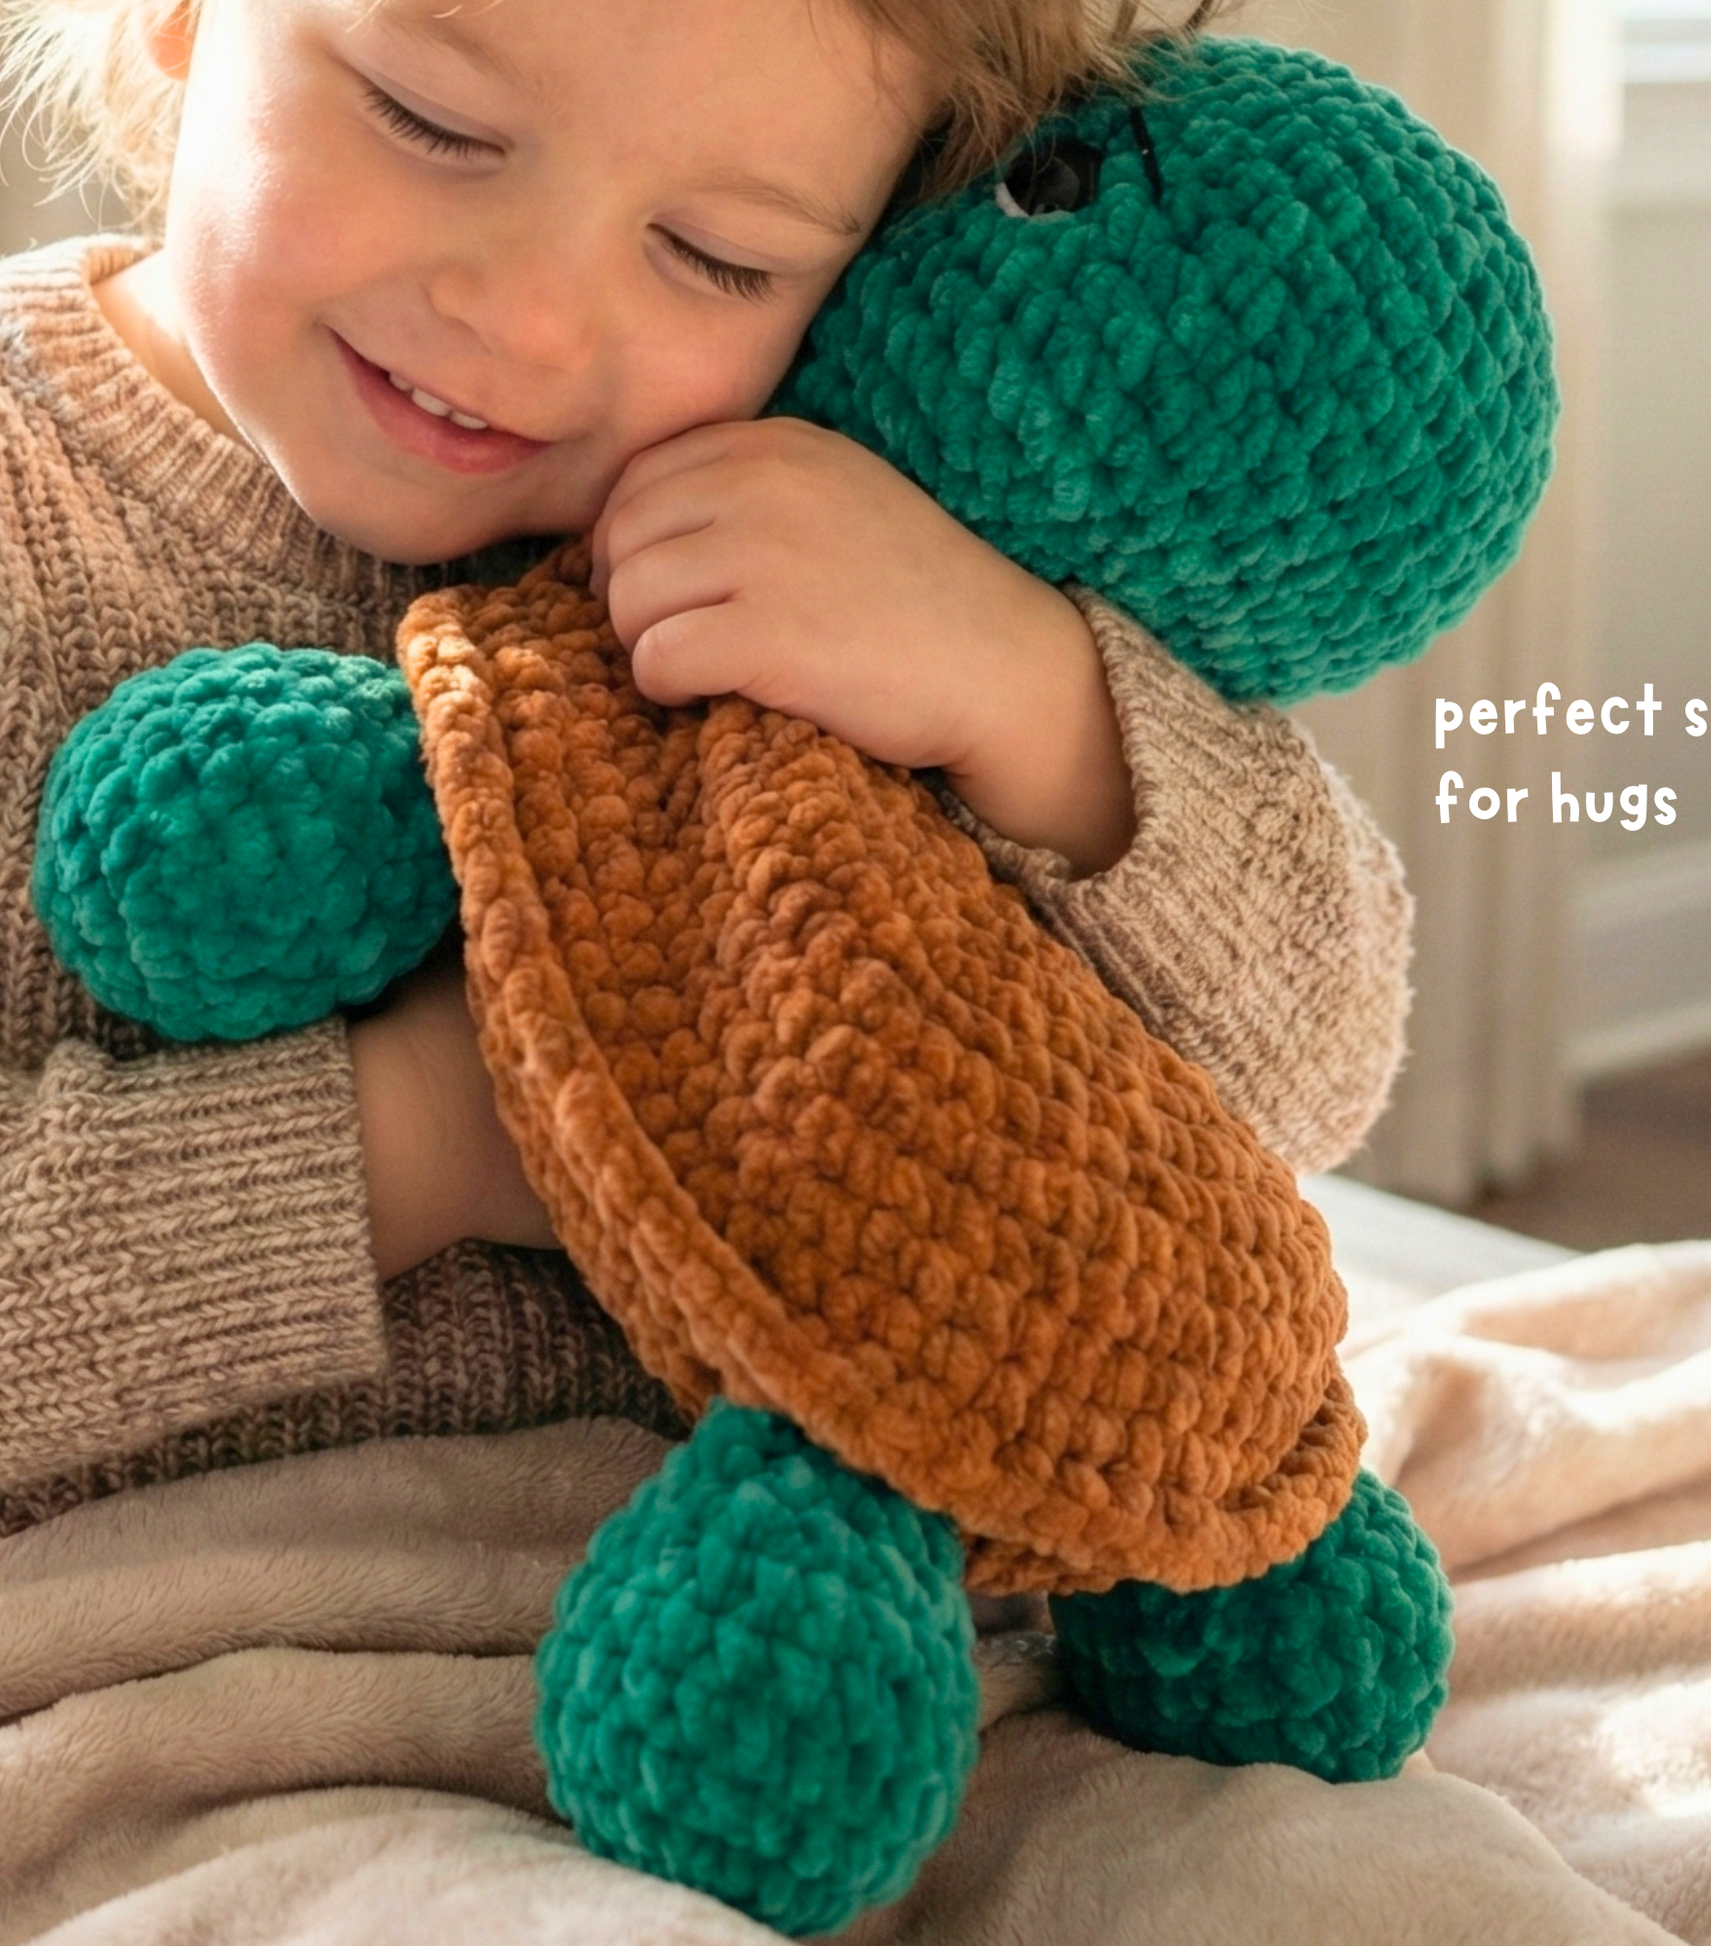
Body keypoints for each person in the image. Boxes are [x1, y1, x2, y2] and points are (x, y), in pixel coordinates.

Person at [0, 5, 1414, 1928]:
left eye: (714, 256)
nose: (526, 316)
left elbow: (1311, 1073)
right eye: (428, 120)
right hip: (188, 1683)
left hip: (868, 1671)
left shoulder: (839, 506)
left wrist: (1040, 705)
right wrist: (417, 1131)